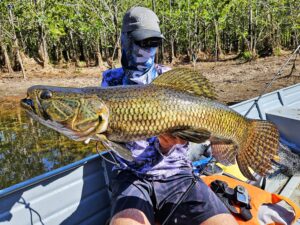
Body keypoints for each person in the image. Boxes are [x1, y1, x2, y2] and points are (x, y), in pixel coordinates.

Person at [101, 6, 238, 225]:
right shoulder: (110, 82)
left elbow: (199, 122)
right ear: (125, 39)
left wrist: (167, 146)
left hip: (177, 173)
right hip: (131, 176)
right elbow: (116, 142)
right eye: (140, 41)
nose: (146, 49)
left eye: (153, 43)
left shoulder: (169, 78)